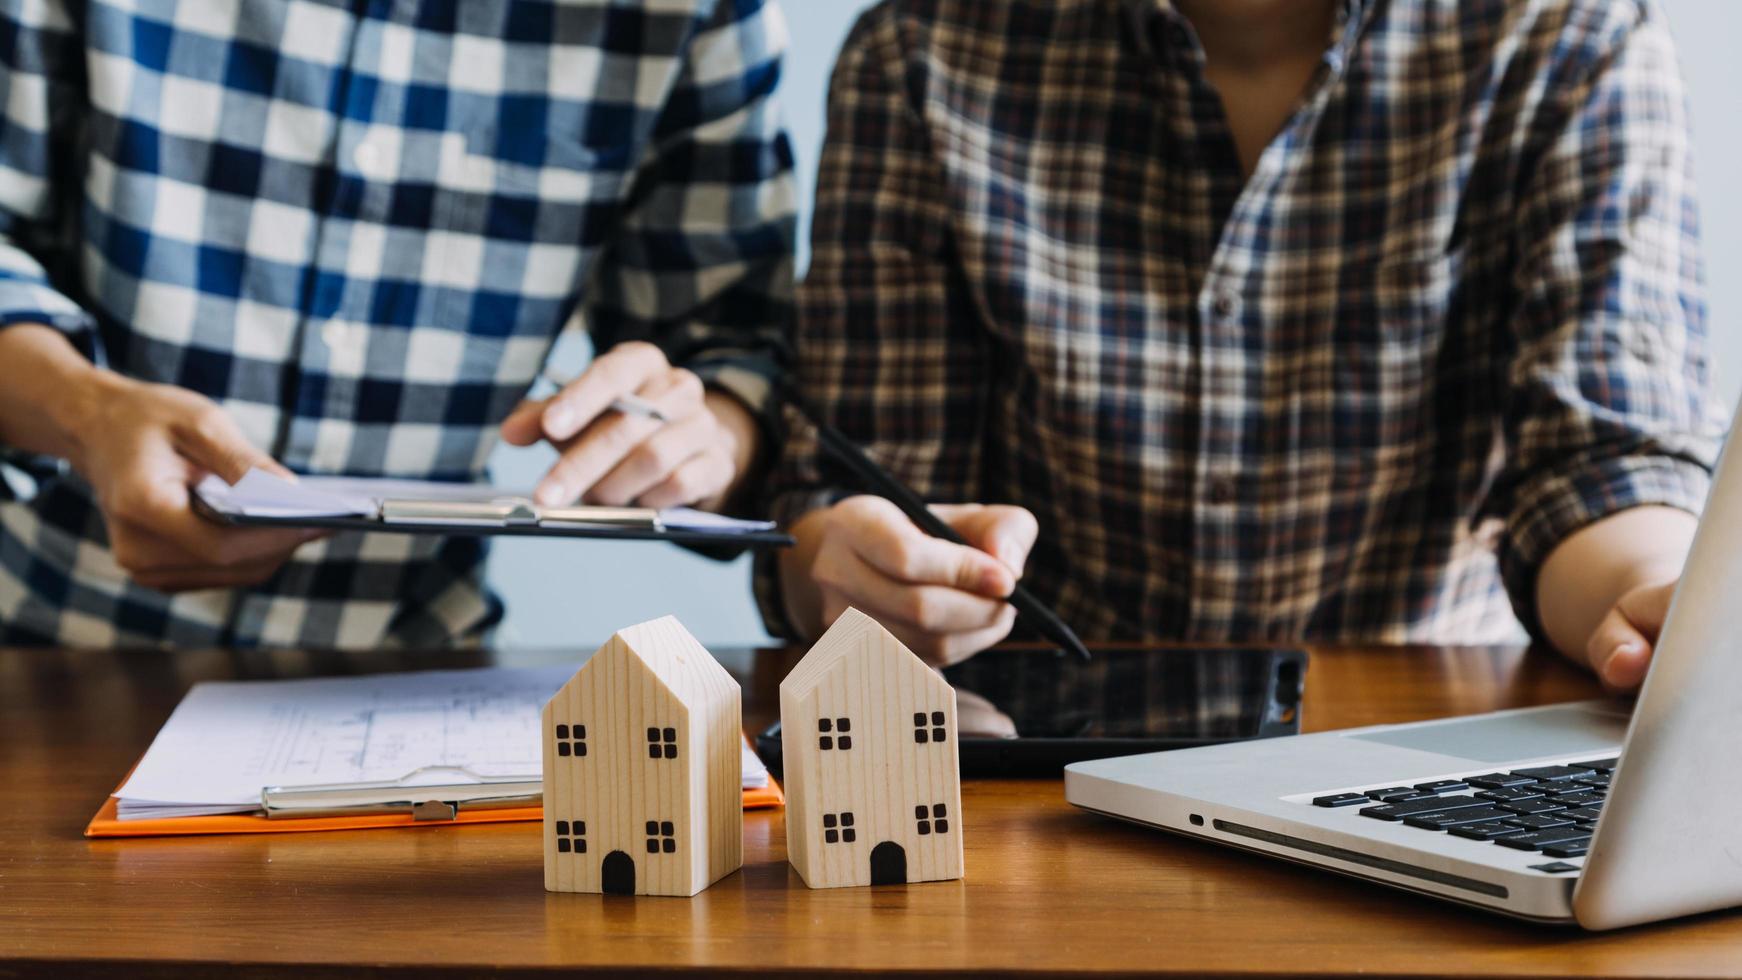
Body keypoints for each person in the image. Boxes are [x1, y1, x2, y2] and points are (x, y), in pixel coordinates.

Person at [760, 0, 1726, 691]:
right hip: (1040, 759)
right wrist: (848, 576)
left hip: (1415, 736)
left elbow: (1601, 467)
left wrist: (1651, 600)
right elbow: (863, 494)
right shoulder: (921, 48)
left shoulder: (1570, 36)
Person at [0, 1, 795, 646]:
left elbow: (735, 347)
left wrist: (703, 441)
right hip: (47, 651)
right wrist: (86, 413)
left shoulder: (698, 15)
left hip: (416, 681)